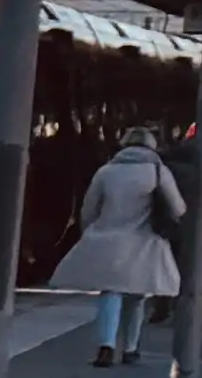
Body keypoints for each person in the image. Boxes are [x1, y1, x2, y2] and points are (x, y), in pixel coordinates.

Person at [51, 128, 187, 365]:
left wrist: (90, 231)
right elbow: (178, 209)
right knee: (137, 296)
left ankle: (106, 345)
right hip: (144, 241)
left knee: (110, 291)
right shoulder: (158, 171)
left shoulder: (106, 172)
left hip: (108, 238)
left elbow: (89, 208)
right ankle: (131, 348)